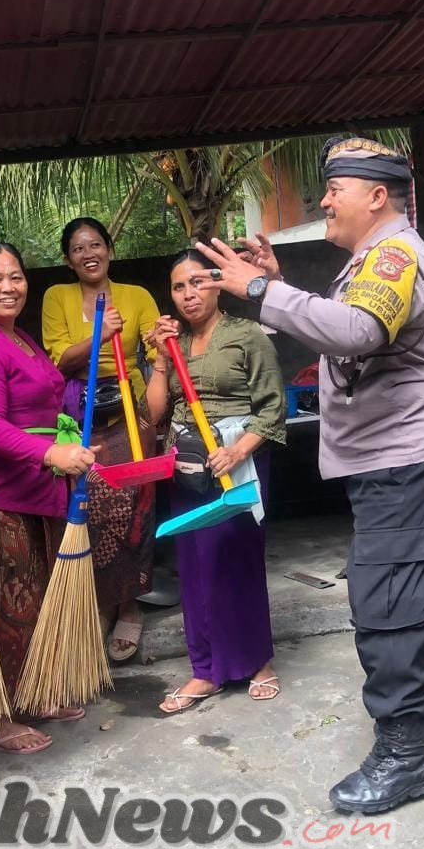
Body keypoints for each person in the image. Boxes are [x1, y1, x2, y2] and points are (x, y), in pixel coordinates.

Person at [192, 137, 424, 815]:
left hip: (406, 459)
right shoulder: (376, 259)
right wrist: (283, 282)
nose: (323, 199)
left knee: (385, 601)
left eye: (334, 189)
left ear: (376, 196)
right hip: (414, 450)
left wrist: (261, 291)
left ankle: (405, 755)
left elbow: (356, 333)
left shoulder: (396, 255)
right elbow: (352, 322)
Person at [0, 241, 98, 753]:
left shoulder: (21, 339)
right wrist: (50, 455)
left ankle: (34, 691)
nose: (9, 286)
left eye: (15, 276)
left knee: (36, 599)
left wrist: (67, 446)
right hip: (8, 491)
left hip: (42, 487)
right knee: (10, 605)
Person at [144, 249, 285, 715]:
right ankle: (204, 669)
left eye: (198, 283)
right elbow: (156, 413)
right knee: (196, 567)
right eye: (179, 287)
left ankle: (256, 661)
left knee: (236, 560)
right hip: (187, 463)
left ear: (218, 284)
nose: (189, 294)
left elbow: (272, 409)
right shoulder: (173, 344)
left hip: (236, 460)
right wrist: (161, 359)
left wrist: (236, 451)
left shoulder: (246, 335)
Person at [42, 217, 160, 662]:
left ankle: (129, 605)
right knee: (88, 511)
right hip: (79, 417)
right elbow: (58, 360)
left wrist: (161, 345)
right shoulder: (57, 297)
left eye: (95, 245)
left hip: (129, 415)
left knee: (133, 510)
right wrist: (99, 335)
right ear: (68, 259)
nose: (88, 253)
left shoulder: (137, 296)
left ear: (110, 250)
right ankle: (100, 605)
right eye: (77, 248)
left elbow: (154, 353)